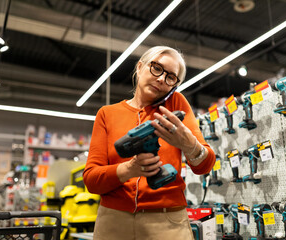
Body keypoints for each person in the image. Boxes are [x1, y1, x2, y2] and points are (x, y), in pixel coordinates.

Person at [83, 46, 216, 240]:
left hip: (167, 222)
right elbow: (92, 181)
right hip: (114, 222)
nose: (162, 78)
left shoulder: (175, 106)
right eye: (157, 68)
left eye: (171, 77)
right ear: (139, 67)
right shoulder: (107, 114)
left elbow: (205, 165)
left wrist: (189, 144)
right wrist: (130, 168)